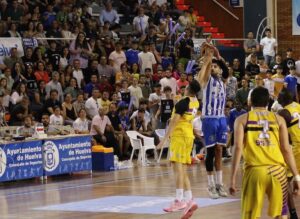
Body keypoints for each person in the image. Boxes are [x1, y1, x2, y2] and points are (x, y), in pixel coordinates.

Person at [230, 86, 300, 219]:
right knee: (281, 215)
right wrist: (297, 176)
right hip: (278, 172)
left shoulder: (241, 120)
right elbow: (286, 149)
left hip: (254, 171)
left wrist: (232, 178)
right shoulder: (279, 119)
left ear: (250, 101)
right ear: (268, 102)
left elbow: (238, 148)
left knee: (251, 216)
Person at [157, 80, 200, 219]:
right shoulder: (195, 101)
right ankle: (189, 199)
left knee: (177, 169)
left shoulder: (183, 103)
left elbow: (174, 122)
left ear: (188, 88)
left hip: (180, 136)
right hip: (188, 136)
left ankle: (179, 200)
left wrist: (164, 140)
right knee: (182, 169)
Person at [196, 43, 229, 199]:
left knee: (219, 150)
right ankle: (210, 185)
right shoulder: (206, 79)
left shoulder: (223, 81)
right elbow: (204, 72)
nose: (214, 68)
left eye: (217, 67)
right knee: (210, 152)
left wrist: (217, 53)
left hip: (221, 118)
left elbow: (226, 69)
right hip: (209, 119)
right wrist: (209, 58)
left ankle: (219, 184)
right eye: (212, 67)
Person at [278, 88, 300, 219]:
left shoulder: (284, 112)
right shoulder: (297, 106)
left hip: (297, 149)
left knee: (284, 182)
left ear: (282, 100)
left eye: (279, 98)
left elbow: (279, 134)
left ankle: (292, 214)